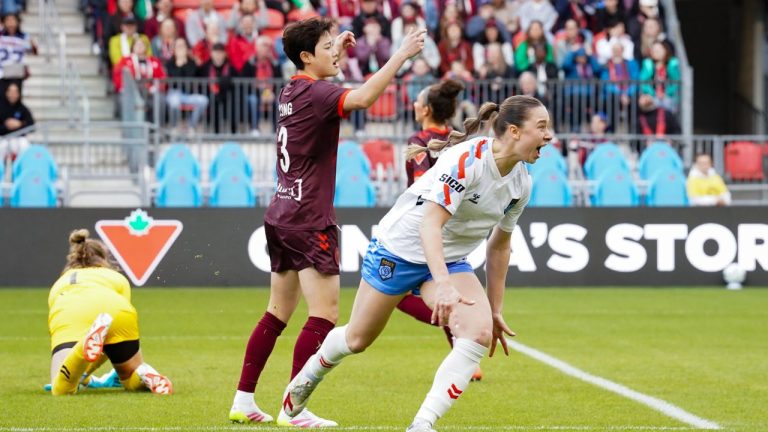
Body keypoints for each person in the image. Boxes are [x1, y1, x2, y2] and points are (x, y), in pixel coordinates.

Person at [283, 95, 552, 432]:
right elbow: (430, 224)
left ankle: (422, 424)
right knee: (356, 340)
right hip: (398, 250)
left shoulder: (521, 183)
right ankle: (305, 381)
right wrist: (441, 284)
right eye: (542, 127)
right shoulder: (467, 159)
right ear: (513, 131)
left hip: (449, 258)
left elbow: (499, 246)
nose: (549, 136)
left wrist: (495, 309)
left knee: (478, 331)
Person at [228, 17, 425, 427]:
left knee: (277, 313)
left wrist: (339, 51)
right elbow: (364, 98)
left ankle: (244, 399)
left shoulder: (290, 89)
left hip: (281, 212)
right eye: (326, 46)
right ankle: (292, 408)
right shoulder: (318, 93)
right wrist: (401, 55)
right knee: (325, 315)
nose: (333, 51)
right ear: (306, 56)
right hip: (308, 218)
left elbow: (325, 83)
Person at [48, 229, 172, 396]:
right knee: (128, 376)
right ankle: (143, 375)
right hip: (115, 310)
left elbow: (57, 315)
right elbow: (111, 333)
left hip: (71, 311)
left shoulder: (60, 282)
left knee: (61, 387)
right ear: (103, 258)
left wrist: (82, 371)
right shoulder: (115, 277)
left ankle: (80, 359)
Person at [165, 37, 209, 132]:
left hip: (189, 94)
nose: (180, 48)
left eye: (183, 46)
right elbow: (174, 80)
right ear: (174, 49)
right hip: (174, 93)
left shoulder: (192, 63)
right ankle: (175, 126)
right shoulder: (170, 63)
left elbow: (191, 76)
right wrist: (179, 64)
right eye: (178, 46)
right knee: (174, 103)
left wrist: (185, 62)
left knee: (203, 100)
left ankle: (191, 126)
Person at [0, 81, 33, 161]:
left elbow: (31, 125)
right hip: (3, 137)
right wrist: (6, 125)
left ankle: (21, 171)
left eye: (15, 92)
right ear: (7, 93)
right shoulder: (1, 108)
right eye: (11, 91)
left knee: (25, 146)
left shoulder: (23, 109)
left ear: (18, 94)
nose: (13, 94)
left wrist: (19, 124)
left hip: (18, 138)